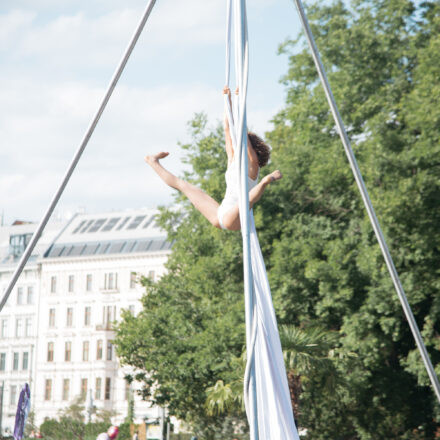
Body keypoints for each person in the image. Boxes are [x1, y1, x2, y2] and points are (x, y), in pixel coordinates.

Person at [145, 87, 282, 231]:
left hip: (234, 219)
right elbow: (228, 129)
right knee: (182, 185)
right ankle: (153, 162)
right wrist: (227, 102)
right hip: (220, 214)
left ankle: (266, 181)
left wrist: (238, 102)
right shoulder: (233, 159)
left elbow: (241, 134)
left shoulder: (252, 165)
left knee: (248, 199)